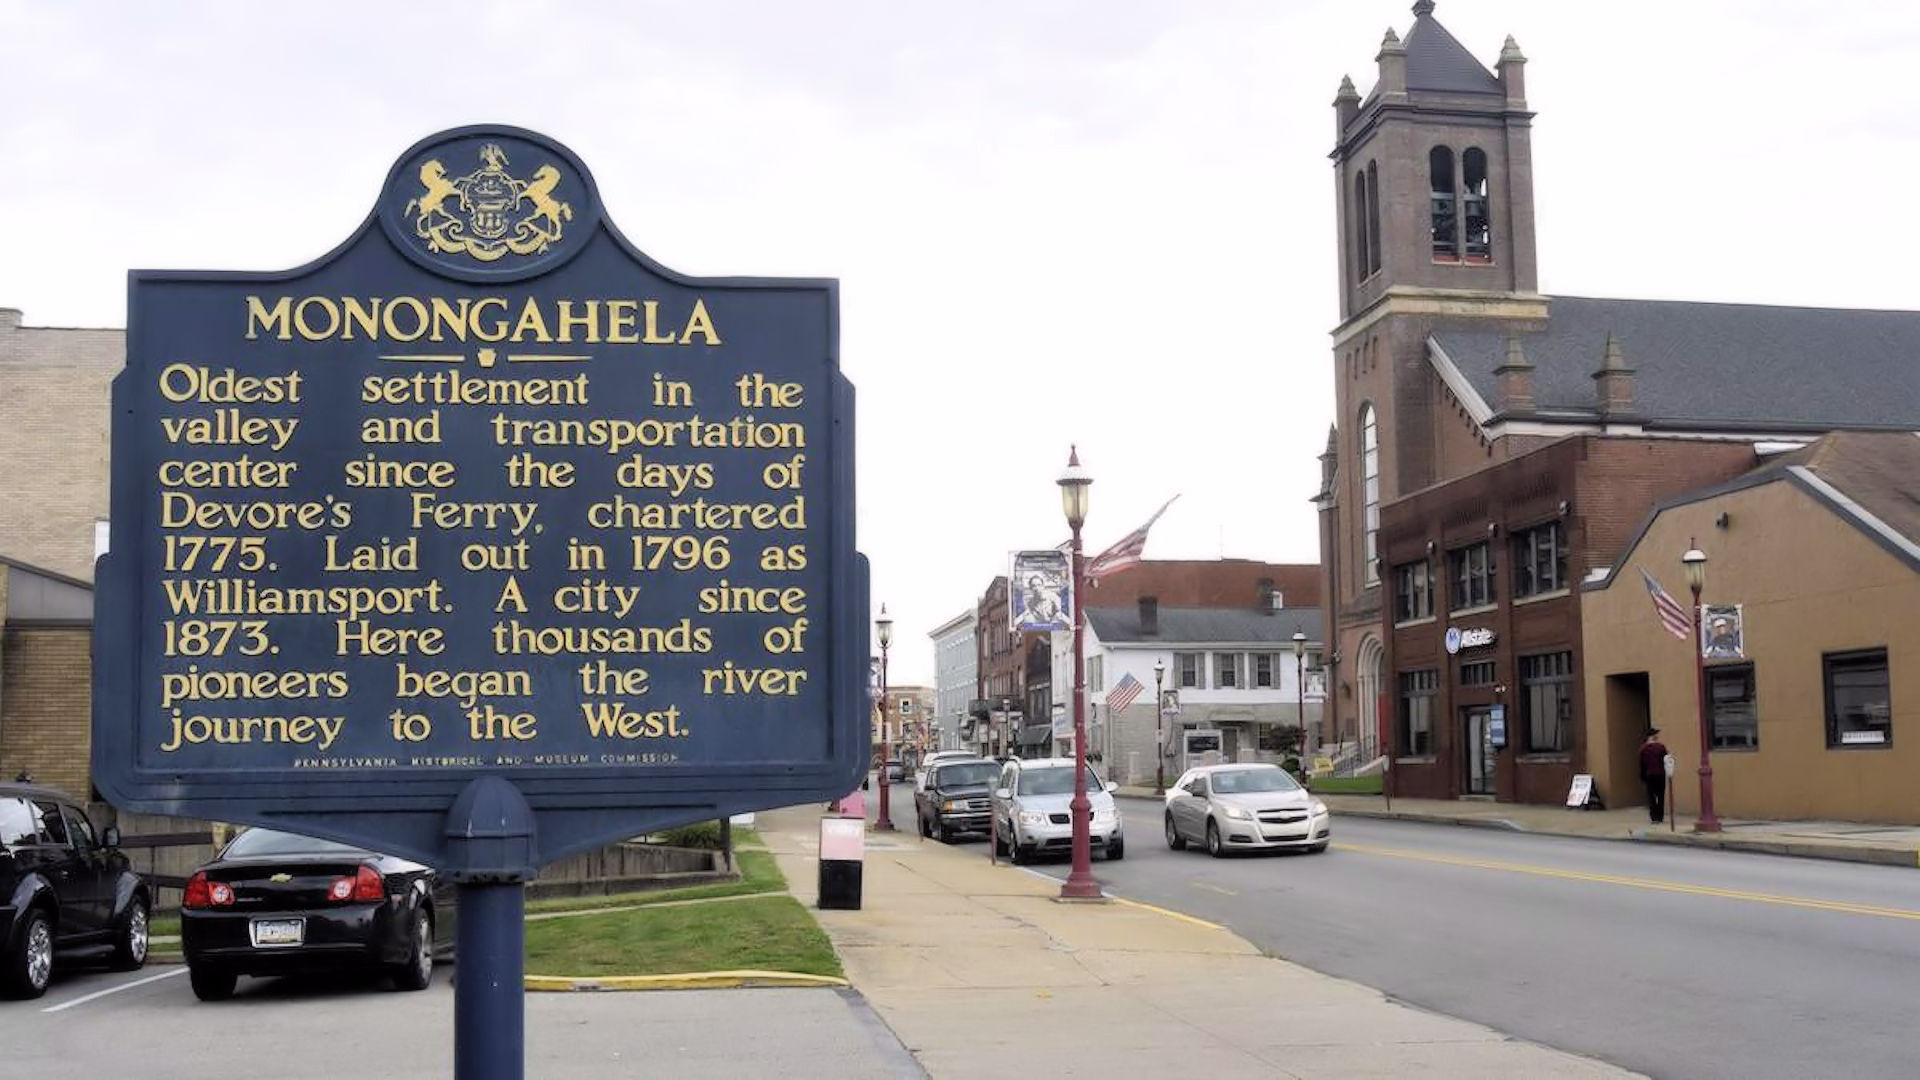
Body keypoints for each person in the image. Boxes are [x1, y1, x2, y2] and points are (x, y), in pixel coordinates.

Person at [1638, 727, 1669, 824]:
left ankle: (1654, 817)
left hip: (1649, 775)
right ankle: (1660, 816)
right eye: (1655, 734)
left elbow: (1641, 764)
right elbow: (1666, 760)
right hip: (1660, 774)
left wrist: (1642, 776)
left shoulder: (1643, 749)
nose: (1657, 736)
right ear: (1651, 736)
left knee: (1651, 796)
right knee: (1660, 796)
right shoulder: (1661, 747)